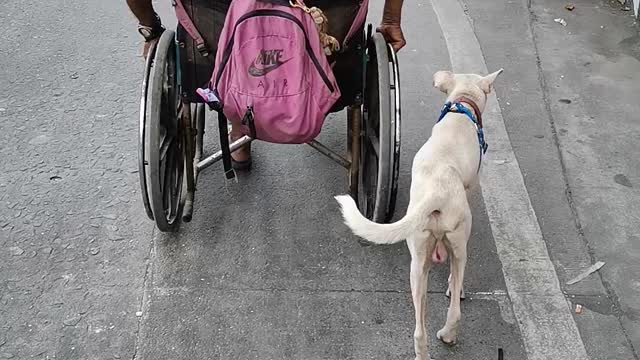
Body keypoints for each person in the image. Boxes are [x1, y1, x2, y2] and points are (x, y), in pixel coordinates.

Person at [126, 0, 405, 169]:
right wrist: (391, 19)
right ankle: (259, 120)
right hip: (326, 58)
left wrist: (150, 27)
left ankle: (241, 125)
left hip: (216, 54)